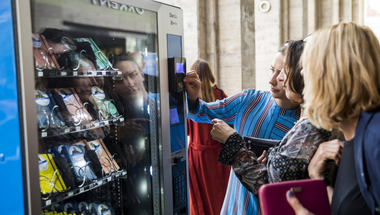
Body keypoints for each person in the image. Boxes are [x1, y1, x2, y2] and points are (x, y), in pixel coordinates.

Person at [210, 39, 338, 198]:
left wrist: (232, 140)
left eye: (287, 70)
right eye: (275, 70)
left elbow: (269, 187)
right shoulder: (307, 123)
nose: (280, 78)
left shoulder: (310, 130)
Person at [184, 45, 301, 215]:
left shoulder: (301, 128)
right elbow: (203, 111)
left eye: (281, 73)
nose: (271, 79)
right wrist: (193, 97)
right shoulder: (250, 99)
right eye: (272, 70)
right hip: (232, 208)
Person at [286, 22, 380, 215]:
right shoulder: (355, 134)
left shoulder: (375, 138)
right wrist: (317, 179)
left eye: (308, 65)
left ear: (334, 74)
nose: (302, 72)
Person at [187, 59, 230, 215]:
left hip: (198, 156)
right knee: (221, 192)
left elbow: (185, 130)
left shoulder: (189, 100)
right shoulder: (220, 94)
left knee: (200, 197)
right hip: (220, 153)